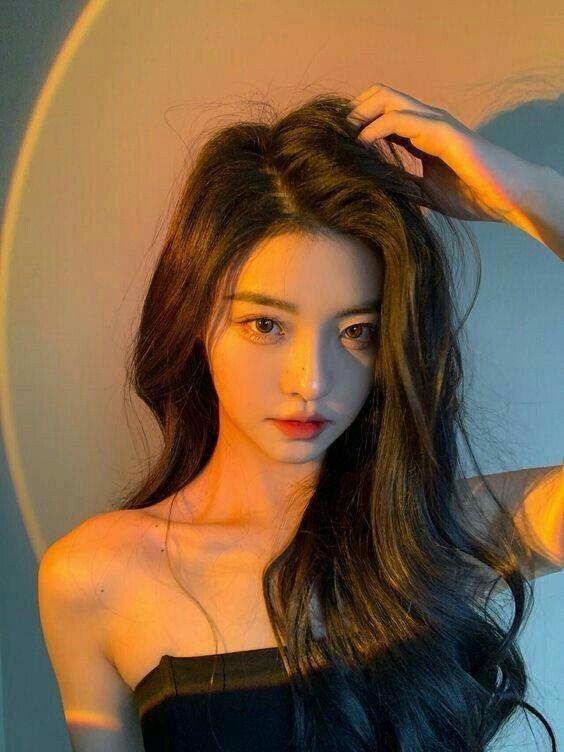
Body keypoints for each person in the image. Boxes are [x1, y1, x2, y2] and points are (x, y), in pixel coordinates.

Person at [38, 85, 563, 752]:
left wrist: (532, 195)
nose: (311, 382)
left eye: (356, 332)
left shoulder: (442, 534)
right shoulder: (93, 579)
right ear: (194, 317)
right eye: (265, 324)